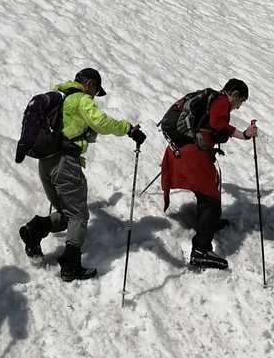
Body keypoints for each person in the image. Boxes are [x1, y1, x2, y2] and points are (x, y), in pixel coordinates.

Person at [18, 68, 145, 281]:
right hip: (66, 163)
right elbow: (101, 122)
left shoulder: (62, 98)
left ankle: (34, 230)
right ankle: (70, 266)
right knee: (78, 215)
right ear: (90, 84)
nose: (95, 96)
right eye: (96, 91)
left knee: (67, 213)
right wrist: (128, 129)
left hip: (46, 162)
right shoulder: (81, 99)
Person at [160, 79, 258, 271]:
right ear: (234, 94)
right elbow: (217, 123)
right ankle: (201, 250)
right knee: (209, 197)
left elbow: (211, 126)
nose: (238, 107)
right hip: (192, 153)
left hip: (182, 149)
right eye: (241, 101)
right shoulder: (221, 101)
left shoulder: (211, 99)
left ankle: (209, 223)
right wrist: (244, 134)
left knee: (210, 188)